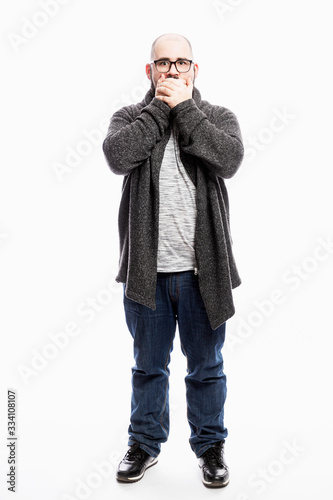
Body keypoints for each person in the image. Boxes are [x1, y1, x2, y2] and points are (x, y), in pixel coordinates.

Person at [102, 33, 244, 488]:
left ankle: (211, 449)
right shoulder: (131, 117)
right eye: (163, 63)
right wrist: (161, 108)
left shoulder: (217, 118)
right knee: (148, 366)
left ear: (194, 70)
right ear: (150, 71)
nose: (171, 70)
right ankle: (143, 445)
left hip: (205, 276)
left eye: (181, 62)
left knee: (207, 368)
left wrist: (184, 108)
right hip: (148, 276)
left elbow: (229, 159)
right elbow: (118, 156)